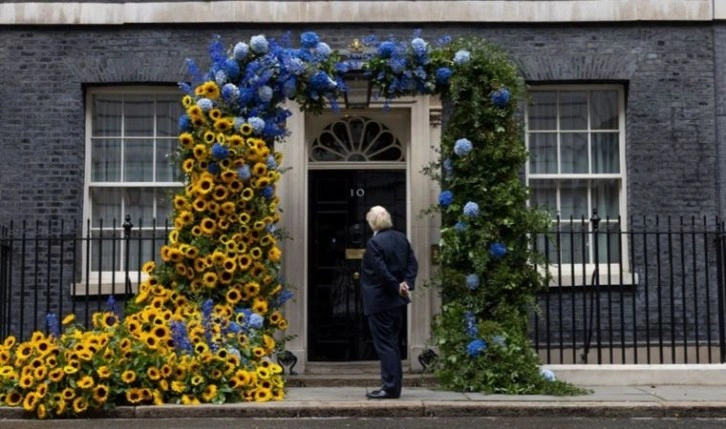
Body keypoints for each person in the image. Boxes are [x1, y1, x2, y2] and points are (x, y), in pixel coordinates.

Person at [360, 205, 418, 399]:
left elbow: (380, 270)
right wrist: (406, 284)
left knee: (385, 345)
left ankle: (390, 387)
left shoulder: (374, 243)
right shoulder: (401, 238)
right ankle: (392, 384)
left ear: (372, 222)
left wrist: (396, 286)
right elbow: (412, 263)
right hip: (397, 301)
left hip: (380, 301)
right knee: (392, 344)